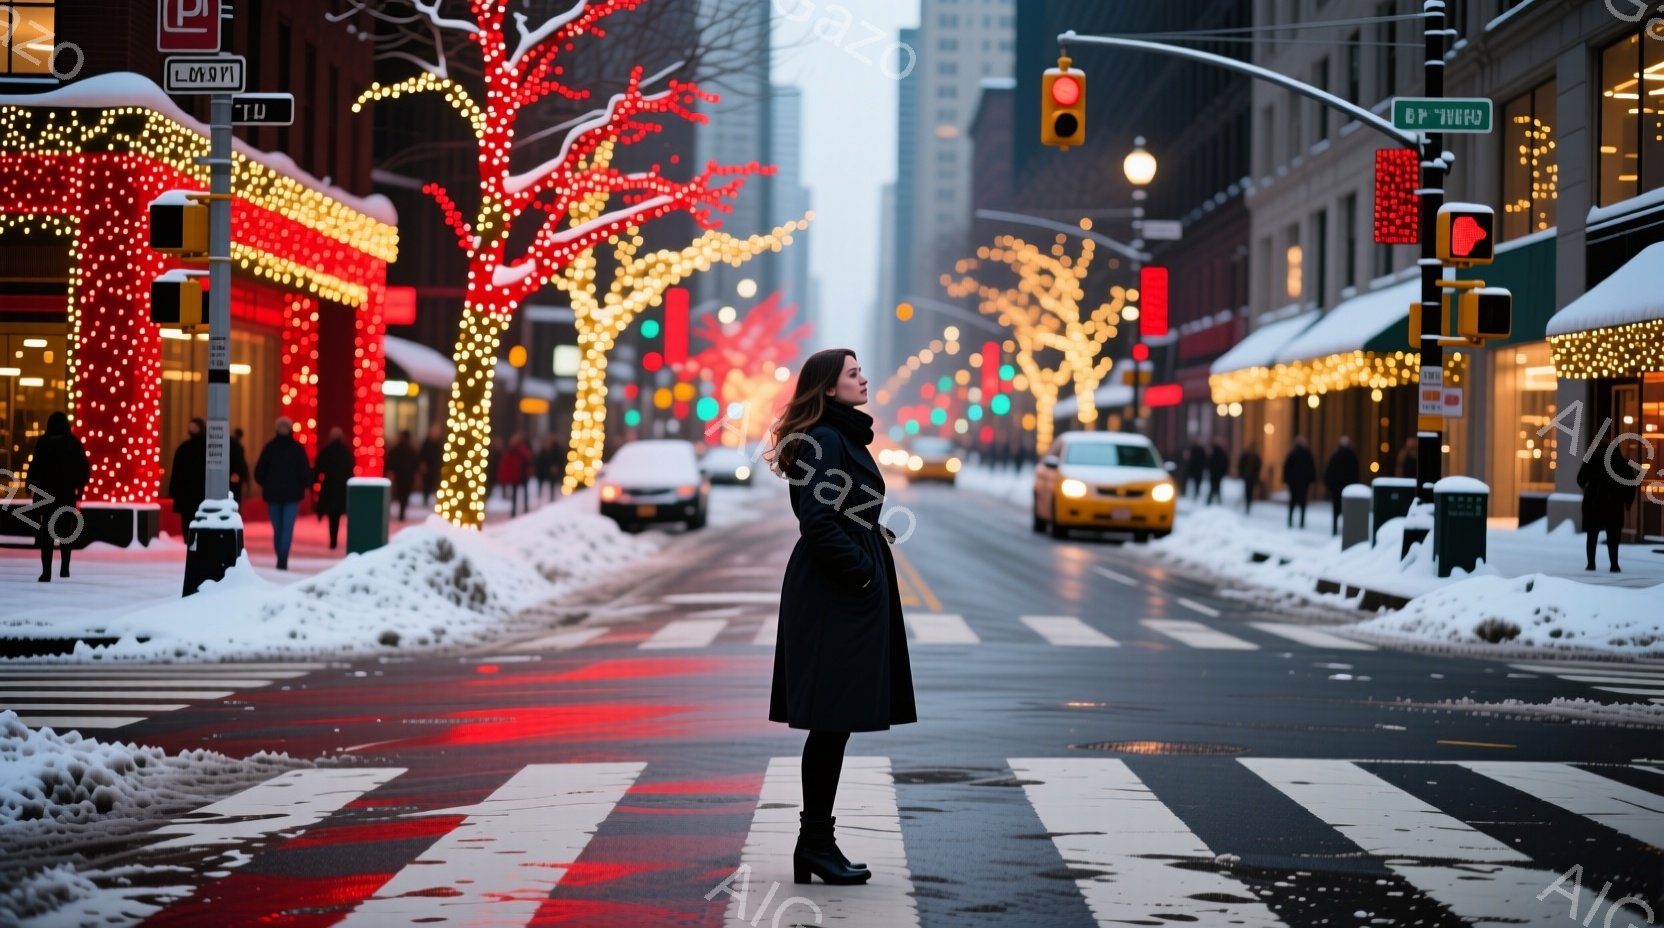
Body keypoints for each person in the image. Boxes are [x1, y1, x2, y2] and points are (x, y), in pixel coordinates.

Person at [767, 348, 916, 886]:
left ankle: (816, 843)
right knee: (831, 724)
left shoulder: (836, 435)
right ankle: (814, 845)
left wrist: (870, 540)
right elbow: (818, 521)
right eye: (853, 373)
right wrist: (862, 571)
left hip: (840, 591)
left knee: (835, 725)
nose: (864, 378)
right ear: (828, 387)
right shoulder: (828, 439)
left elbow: (841, 512)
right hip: (835, 594)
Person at [24, 412, 89, 582]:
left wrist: (30, 486)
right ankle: (65, 569)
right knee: (65, 532)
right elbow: (82, 468)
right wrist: (79, 488)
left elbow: (35, 466)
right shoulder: (73, 443)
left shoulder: (43, 442)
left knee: (47, 532)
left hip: (46, 494)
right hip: (66, 493)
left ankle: (46, 572)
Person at [255, 417, 312, 570]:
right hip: (275, 495)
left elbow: (305, 470)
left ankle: (282, 557)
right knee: (278, 527)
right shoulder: (271, 448)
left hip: (290, 496)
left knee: (286, 527)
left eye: (285, 426)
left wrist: (304, 484)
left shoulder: (295, 449)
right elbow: (259, 471)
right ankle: (281, 555)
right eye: (281, 426)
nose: (283, 429)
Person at [1578, 437, 1637, 573]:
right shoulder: (1622, 462)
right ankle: (1614, 564)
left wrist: (1589, 486)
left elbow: (1580, 480)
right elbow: (1630, 484)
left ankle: (1591, 563)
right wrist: (1628, 502)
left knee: (1592, 535)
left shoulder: (1591, 459)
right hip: (1614, 504)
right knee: (1613, 536)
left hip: (1594, 503)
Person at [312, 426, 355, 549]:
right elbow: (351, 470)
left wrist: (314, 482)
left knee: (332, 516)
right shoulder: (346, 452)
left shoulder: (326, 451)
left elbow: (318, 469)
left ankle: (333, 539)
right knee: (338, 515)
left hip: (329, 487)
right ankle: (336, 539)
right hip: (342, 488)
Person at [168, 417, 207, 531]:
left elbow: (176, 472)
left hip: (186, 494)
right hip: (201, 493)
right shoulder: (207, 448)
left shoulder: (183, 448)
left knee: (188, 522)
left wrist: (174, 492)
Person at [1324, 435, 1361, 536]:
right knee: (1347, 510)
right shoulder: (1352, 456)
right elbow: (1355, 473)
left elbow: (1329, 472)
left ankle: (1335, 529)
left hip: (1337, 487)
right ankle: (1346, 530)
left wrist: (1330, 485)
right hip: (1347, 488)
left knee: (1336, 510)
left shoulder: (1335, 455)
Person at [1283, 435, 1317, 529]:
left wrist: (1287, 480)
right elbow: (1311, 469)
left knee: (1293, 502)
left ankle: (1290, 521)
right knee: (1302, 502)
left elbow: (1287, 468)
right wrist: (1311, 480)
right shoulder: (1307, 454)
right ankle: (1301, 522)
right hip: (1303, 483)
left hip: (1294, 482)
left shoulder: (1293, 453)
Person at [385, 429, 420, 522]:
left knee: (402, 493)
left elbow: (390, 461)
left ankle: (401, 511)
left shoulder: (398, 449)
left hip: (401, 475)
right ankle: (402, 511)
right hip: (406, 475)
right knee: (404, 494)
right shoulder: (409, 449)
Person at [497, 433, 535, 516]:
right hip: (515, 474)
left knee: (524, 491)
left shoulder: (522, 449)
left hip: (522, 474)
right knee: (514, 493)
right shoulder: (511, 450)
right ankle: (514, 511)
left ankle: (524, 509)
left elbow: (528, 460)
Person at [418, 423, 444, 507]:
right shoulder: (426, 443)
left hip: (436, 467)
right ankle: (426, 497)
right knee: (427, 483)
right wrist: (422, 464)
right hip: (428, 467)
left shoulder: (439, 444)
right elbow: (422, 455)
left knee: (435, 482)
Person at [535, 433, 564, 501]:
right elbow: (539, 459)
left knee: (552, 483)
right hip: (543, 469)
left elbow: (559, 458)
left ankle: (552, 497)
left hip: (551, 469)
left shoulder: (556, 448)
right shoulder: (543, 448)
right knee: (542, 483)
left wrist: (556, 466)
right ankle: (540, 496)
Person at [1238, 443, 1263, 514]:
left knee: (1250, 491)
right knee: (1247, 491)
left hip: (1252, 477)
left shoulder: (1256, 457)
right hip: (1247, 476)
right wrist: (1242, 474)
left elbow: (1258, 467)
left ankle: (1248, 504)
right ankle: (1247, 503)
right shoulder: (1246, 456)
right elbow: (1241, 465)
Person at [228, 427, 250, 504]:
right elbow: (241, 463)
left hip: (231, 474)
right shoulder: (238, 447)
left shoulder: (231, 444)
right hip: (235, 475)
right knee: (235, 496)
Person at [1206, 437, 1230, 505]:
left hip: (1214, 473)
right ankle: (1216, 500)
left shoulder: (1213, 452)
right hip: (1218, 473)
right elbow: (1225, 463)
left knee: (1213, 487)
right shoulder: (1220, 453)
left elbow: (1209, 463)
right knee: (1216, 487)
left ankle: (1211, 500)